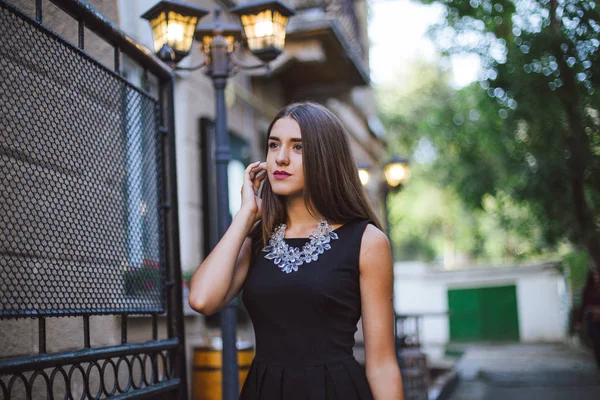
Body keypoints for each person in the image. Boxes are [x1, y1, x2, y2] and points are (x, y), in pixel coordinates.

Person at [189, 102, 404, 399]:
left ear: (326, 158)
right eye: (273, 145)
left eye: (298, 147)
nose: (281, 158)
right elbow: (202, 299)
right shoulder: (257, 240)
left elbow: (382, 364)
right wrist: (245, 215)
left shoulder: (367, 241)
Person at [575, 270, 600, 370]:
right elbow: (583, 306)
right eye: (595, 276)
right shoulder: (588, 290)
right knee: (597, 344)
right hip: (592, 319)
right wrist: (578, 322)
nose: (597, 278)